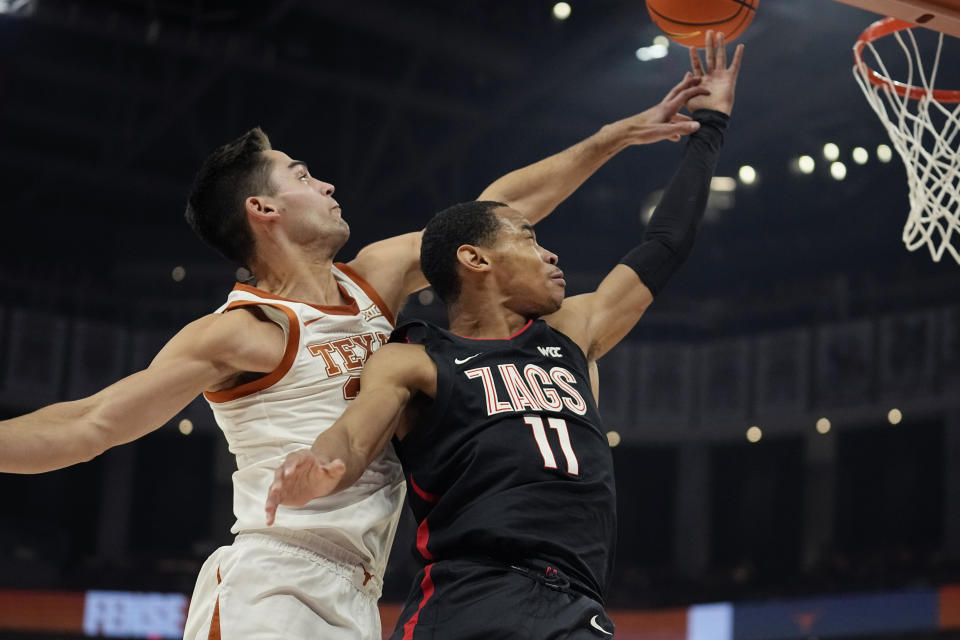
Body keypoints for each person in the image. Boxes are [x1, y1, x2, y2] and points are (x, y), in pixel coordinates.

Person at [0, 64, 710, 640]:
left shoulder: (375, 278)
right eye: (303, 176)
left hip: (361, 592)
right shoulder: (241, 331)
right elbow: (90, 424)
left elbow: (492, 211)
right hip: (272, 583)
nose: (328, 183)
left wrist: (614, 137)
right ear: (264, 211)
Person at [265, 32, 742, 639]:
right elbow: (355, 436)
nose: (551, 254)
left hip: (576, 606)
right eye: (529, 240)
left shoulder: (573, 333)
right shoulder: (415, 361)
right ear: (475, 259)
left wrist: (712, 129)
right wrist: (322, 464)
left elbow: (666, 244)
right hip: (469, 599)